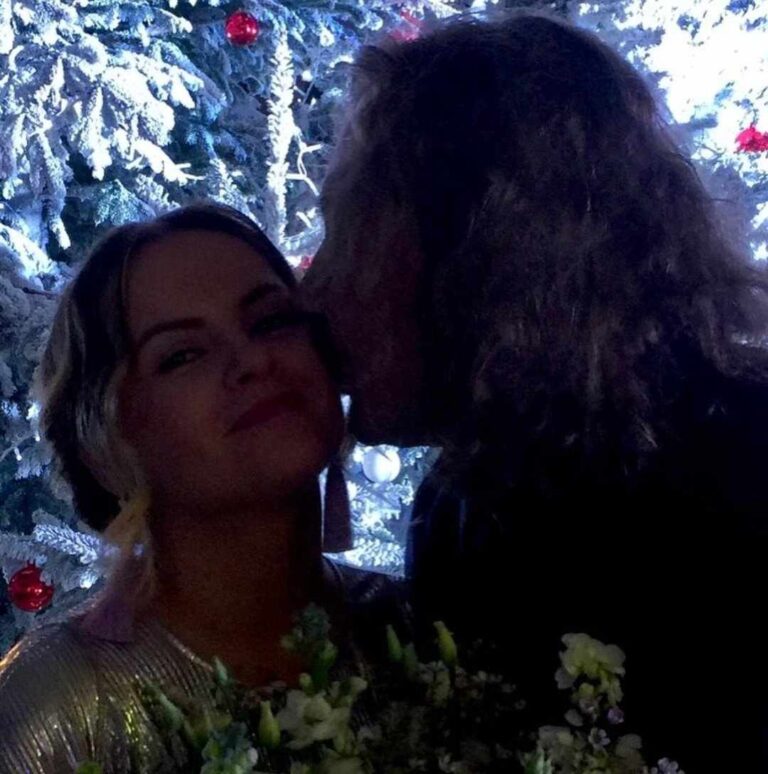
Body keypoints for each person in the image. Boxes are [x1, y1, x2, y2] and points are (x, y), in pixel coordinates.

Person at [304, 11, 768, 770]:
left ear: (476, 251)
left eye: (348, 235)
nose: (314, 292)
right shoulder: (462, 507)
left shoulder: (744, 489)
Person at [0, 203, 399, 772]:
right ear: (109, 432)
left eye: (271, 321)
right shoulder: (52, 707)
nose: (252, 361)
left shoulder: (421, 626)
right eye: (183, 355)